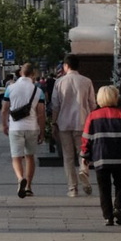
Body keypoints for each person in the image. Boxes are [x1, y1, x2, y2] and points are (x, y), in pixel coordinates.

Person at [84, 83, 121, 226]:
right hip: (120, 157)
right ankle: (118, 207)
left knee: (104, 187)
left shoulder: (92, 116)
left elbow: (86, 138)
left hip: (100, 157)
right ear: (115, 98)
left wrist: (85, 155)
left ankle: (107, 216)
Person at [52, 60, 99, 198]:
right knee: (82, 152)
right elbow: (92, 104)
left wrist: (54, 123)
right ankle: (84, 171)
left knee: (68, 157)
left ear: (66, 66)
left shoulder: (59, 82)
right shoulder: (86, 81)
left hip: (64, 123)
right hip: (83, 122)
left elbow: (55, 105)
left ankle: (72, 189)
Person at [3, 62, 44, 198]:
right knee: (30, 157)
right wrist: (42, 131)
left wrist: (4, 124)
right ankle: (28, 187)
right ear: (33, 74)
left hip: (15, 127)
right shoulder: (38, 91)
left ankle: (20, 178)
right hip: (32, 127)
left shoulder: (10, 88)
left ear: (21, 73)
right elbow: (41, 112)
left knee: (16, 157)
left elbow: (4, 109)